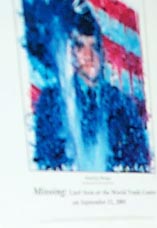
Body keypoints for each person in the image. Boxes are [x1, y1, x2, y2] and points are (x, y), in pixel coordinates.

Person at [33, 4, 150, 171]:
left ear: (103, 54)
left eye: (94, 47)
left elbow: (138, 163)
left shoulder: (123, 105)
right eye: (80, 47)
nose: (89, 56)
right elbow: (45, 164)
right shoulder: (52, 102)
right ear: (71, 52)